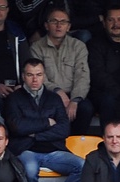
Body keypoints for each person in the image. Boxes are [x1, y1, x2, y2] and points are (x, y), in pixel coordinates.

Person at [4, 58, 84, 182]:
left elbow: (64, 129)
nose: (35, 79)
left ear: (44, 76)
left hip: (53, 150)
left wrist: (34, 134)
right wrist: (47, 122)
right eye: (30, 75)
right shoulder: (13, 98)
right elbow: (17, 127)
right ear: (23, 76)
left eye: (39, 75)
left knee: (82, 165)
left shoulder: (54, 98)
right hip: (26, 150)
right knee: (29, 171)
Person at [30, 6, 93, 135]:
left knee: (86, 108)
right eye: (54, 21)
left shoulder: (78, 46)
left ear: (69, 27)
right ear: (47, 25)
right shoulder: (37, 47)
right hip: (47, 95)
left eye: (63, 22)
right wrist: (57, 91)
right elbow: (38, 77)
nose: (59, 25)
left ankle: (76, 144)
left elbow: (82, 76)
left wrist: (75, 100)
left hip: (73, 95)